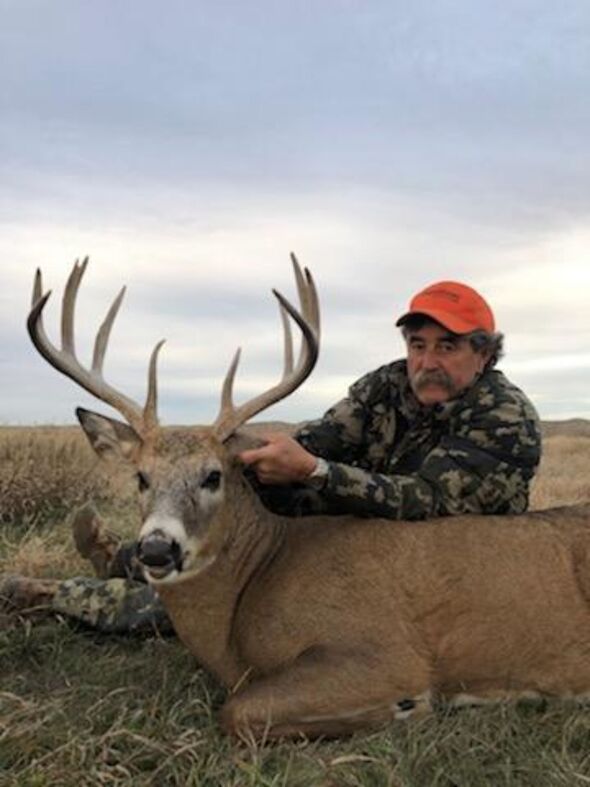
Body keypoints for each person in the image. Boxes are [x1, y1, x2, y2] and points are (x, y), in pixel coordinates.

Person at [1, 280, 541, 633]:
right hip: (367, 535)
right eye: (418, 345)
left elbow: (429, 504)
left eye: (448, 347)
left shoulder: (505, 418)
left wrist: (319, 473)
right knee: (257, 494)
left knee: (248, 601)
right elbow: (322, 439)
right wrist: (243, 456)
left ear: (486, 353)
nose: (427, 361)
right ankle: (130, 561)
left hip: (449, 567)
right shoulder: (386, 386)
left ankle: (58, 595)